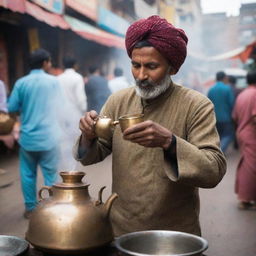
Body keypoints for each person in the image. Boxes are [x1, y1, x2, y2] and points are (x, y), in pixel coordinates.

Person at [74, 15, 226, 236]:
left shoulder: (197, 105)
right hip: (121, 228)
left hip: (174, 233)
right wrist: (88, 135)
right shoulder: (118, 101)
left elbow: (213, 171)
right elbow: (91, 156)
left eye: (152, 66)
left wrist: (169, 142)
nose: (141, 75)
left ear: (172, 68)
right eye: (136, 65)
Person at [8, 48, 62, 218]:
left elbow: (11, 108)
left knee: (27, 174)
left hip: (28, 139)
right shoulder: (53, 82)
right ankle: (51, 207)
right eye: (50, 61)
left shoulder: (21, 83)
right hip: (50, 138)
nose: (51, 64)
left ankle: (31, 208)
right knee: (51, 174)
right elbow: (62, 106)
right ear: (45, 63)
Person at [232, 71, 256, 210]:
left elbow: (234, 116)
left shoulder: (243, 94)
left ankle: (247, 196)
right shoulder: (254, 94)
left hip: (242, 132)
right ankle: (245, 197)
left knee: (247, 163)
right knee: (251, 167)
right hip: (251, 134)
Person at [58, 56, 87, 169]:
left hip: (61, 111)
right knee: (74, 138)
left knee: (64, 139)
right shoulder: (77, 77)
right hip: (74, 112)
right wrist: (84, 110)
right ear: (75, 65)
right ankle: (72, 167)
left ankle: (65, 165)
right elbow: (81, 98)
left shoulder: (58, 78)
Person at [207, 71, 235, 154]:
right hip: (226, 117)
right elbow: (232, 103)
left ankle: (216, 152)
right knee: (228, 135)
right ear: (224, 78)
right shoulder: (227, 88)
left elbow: (208, 104)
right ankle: (220, 152)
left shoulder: (211, 89)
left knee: (217, 136)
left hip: (215, 118)